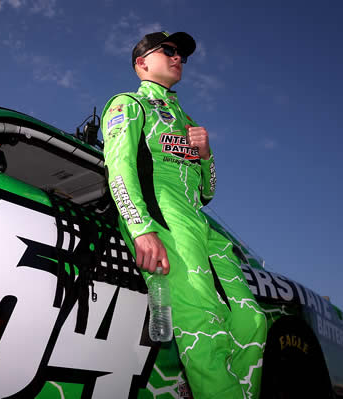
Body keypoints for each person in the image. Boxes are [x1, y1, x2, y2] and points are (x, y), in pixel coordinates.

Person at [101, 31, 267, 398]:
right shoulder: (128, 104)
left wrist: (206, 155)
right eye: (170, 51)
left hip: (202, 227)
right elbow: (119, 166)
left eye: (183, 55)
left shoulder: (185, 119)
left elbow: (207, 193)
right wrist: (141, 227)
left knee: (252, 320)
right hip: (163, 219)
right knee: (204, 325)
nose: (179, 58)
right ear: (142, 63)